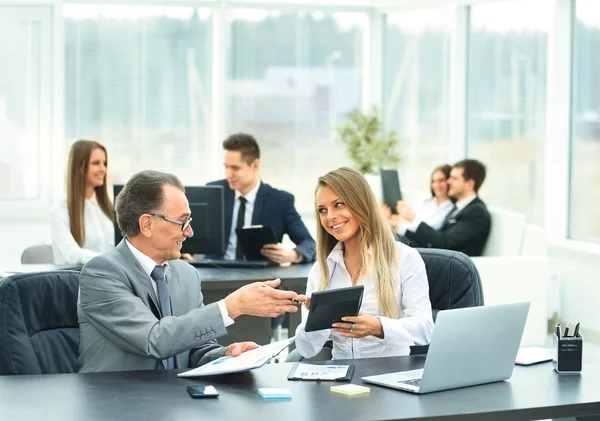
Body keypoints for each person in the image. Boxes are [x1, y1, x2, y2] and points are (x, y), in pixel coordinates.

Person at [78, 170, 305, 372]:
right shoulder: (102, 274)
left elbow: (194, 350)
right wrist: (231, 307)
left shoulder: (186, 274)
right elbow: (153, 339)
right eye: (183, 222)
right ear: (146, 224)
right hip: (116, 404)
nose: (190, 232)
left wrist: (227, 355)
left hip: (172, 402)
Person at [294, 167, 434, 360]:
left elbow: (425, 329)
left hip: (390, 375)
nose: (330, 217)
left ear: (361, 204)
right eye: (322, 210)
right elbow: (306, 350)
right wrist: (317, 319)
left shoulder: (404, 258)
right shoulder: (322, 270)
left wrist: (378, 327)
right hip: (340, 378)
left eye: (339, 204)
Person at [207, 133, 315, 264]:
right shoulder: (213, 193)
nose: (228, 174)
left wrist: (293, 255)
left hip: (260, 277)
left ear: (255, 166)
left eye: (235, 168)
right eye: (226, 167)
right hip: (216, 275)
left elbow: (309, 244)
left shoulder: (280, 201)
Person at [400, 159, 491, 257]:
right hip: (440, 259)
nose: (449, 181)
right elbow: (436, 240)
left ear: (470, 184)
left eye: (454, 178)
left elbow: (445, 243)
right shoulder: (459, 208)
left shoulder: (477, 212)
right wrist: (400, 230)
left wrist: (414, 219)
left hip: (451, 267)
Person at [49, 140, 114, 265]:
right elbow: (71, 254)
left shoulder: (108, 209)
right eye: (96, 163)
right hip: (76, 280)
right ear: (80, 167)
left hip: (109, 278)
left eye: (104, 163)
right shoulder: (59, 212)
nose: (103, 169)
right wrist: (111, 262)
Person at [383, 164, 454, 232]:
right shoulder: (426, 203)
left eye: (441, 180)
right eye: (433, 181)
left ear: (449, 181)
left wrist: (412, 218)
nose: (436, 185)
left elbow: (432, 232)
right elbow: (409, 223)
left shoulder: (452, 208)